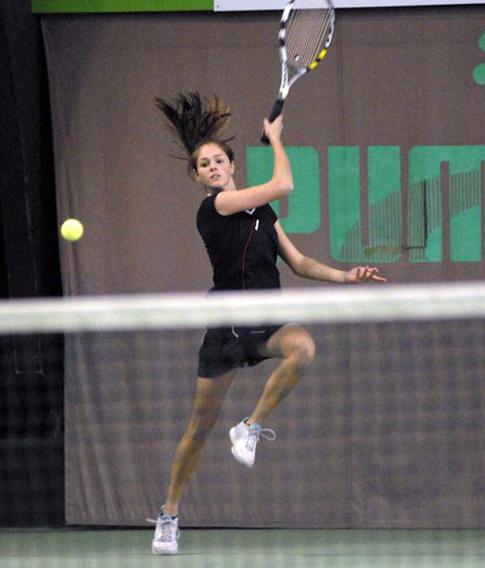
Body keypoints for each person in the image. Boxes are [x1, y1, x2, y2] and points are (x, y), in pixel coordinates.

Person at [150, 93, 385, 555]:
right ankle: (169, 515)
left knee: (304, 347)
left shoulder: (262, 214)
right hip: (226, 324)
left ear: (233, 165)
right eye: (205, 164)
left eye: (220, 160)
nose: (214, 167)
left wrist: (344, 275)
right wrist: (276, 139)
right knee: (199, 428)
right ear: (198, 177)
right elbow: (284, 183)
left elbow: (297, 262)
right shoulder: (214, 208)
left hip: (265, 321)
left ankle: (251, 427)